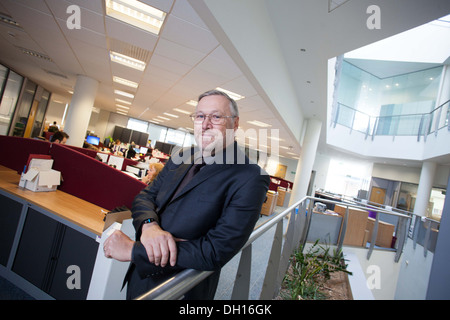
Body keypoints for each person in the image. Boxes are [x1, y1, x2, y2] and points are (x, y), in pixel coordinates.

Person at [103, 89, 270, 300]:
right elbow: (145, 197)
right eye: (200, 116)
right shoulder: (181, 156)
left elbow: (215, 250)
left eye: (216, 116)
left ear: (235, 124)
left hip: (182, 287)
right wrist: (149, 225)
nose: (205, 124)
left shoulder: (250, 176)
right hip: (141, 279)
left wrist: (133, 251)